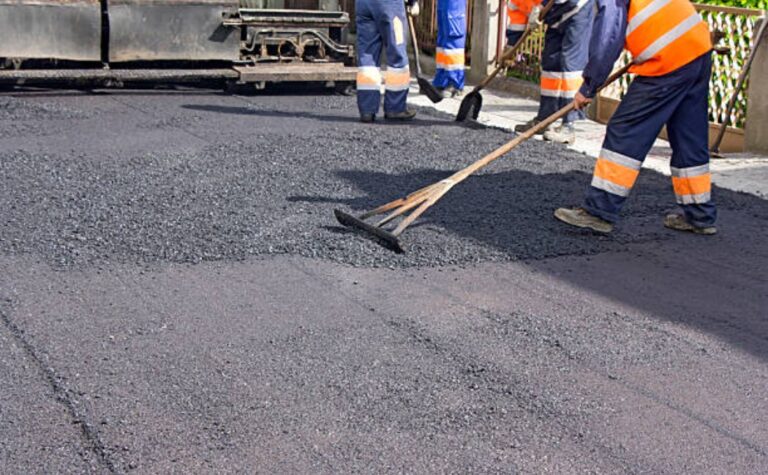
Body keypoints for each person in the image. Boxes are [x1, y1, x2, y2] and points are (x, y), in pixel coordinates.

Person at [554, 0, 717, 235]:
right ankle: (700, 215)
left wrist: (589, 86)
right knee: (688, 134)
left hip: (668, 60)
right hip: (698, 51)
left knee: (626, 129)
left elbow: (609, 35)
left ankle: (599, 211)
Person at [508, 0, 595, 144]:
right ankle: (545, 118)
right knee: (550, 62)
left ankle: (569, 125)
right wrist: (511, 46)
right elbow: (517, 16)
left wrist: (542, 6)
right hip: (554, 14)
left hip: (577, 8)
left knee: (570, 66)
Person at [355, 0, 419, 123]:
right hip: (389, 5)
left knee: (367, 56)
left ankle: (367, 110)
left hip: (363, 4)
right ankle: (395, 108)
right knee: (397, 53)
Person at [432, 0, 467, 98]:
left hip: (454, 4)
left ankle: (454, 83)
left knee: (453, 40)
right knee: (443, 40)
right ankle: (441, 80)